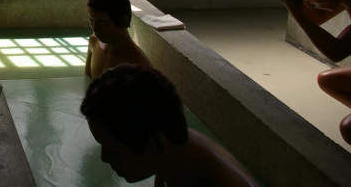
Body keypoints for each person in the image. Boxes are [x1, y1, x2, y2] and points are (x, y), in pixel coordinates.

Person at [81, 64, 260, 187]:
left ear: (157, 144)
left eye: (114, 150)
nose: (104, 158)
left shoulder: (218, 180)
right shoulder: (174, 145)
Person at [264, 0, 351, 149]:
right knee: (329, 80)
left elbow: (336, 51)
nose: (310, 5)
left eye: (309, 0)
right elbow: (318, 18)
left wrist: (296, 8)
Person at [84, 0, 152, 79]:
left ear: (123, 21)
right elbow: (87, 78)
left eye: (102, 23)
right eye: (92, 20)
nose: (94, 28)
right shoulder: (94, 42)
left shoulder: (138, 66)